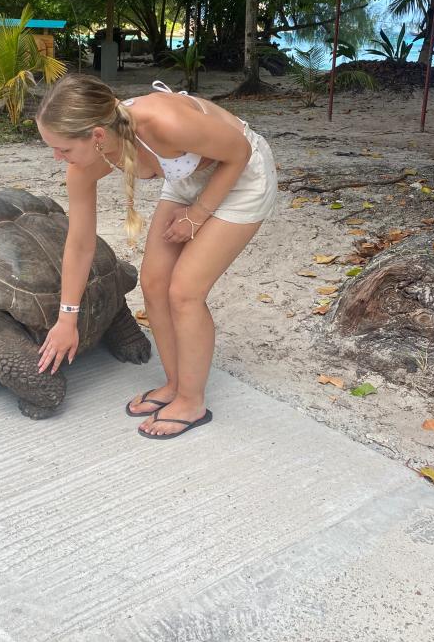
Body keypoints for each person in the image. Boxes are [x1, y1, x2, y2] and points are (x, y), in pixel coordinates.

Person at [35, 76, 278, 439]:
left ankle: (192, 401)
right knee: (153, 282)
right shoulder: (86, 165)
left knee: (184, 291)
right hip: (186, 178)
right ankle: (175, 384)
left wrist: (197, 216)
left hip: (242, 175)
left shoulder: (164, 122)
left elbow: (239, 153)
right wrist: (66, 318)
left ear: (97, 136)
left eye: (63, 149)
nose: (58, 157)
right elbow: (80, 242)